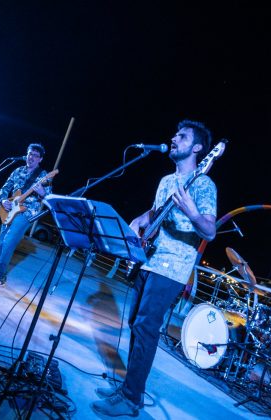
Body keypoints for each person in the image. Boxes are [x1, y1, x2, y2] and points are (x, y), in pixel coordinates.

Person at [92, 120, 217, 417]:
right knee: (136, 323)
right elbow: (155, 213)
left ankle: (131, 399)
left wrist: (192, 212)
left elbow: (209, 230)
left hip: (173, 268)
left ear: (197, 147)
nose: (174, 138)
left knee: (147, 327)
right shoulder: (165, 181)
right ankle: (127, 388)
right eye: (174, 134)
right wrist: (137, 221)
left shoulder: (203, 184)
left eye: (182, 136)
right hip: (150, 260)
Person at [0, 143, 51, 287]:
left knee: (8, 241)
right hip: (10, 210)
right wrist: (3, 200)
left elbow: (49, 198)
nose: (31, 157)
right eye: (30, 154)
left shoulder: (44, 176)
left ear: (40, 159)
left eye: (35, 156)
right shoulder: (18, 170)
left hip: (27, 213)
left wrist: (42, 193)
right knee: (1, 242)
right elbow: (5, 188)